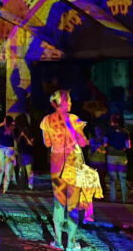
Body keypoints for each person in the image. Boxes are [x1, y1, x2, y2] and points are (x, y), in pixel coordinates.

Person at [40, 89, 88, 251]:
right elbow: (82, 142)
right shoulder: (74, 119)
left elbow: (47, 143)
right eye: (69, 100)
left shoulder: (46, 120)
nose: (72, 103)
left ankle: (59, 241)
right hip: (72, 162)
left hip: (56, 163)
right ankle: (72, 242)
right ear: (64, 103)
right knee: (73, 204)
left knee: (59, 203)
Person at [105, 114, 130, 203]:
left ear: (112, 121)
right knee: (123, 178)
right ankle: (124, 199)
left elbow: (105, 144)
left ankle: (113, 199)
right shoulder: (125, 132)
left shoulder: (108, 131)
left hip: (111, 156)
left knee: (112, 179)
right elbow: (128, 146)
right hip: (122, 156)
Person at [0, 116, 17, 194]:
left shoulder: (1, 128)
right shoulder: (13, 129)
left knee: (0, 170)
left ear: (5, 121)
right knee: (7, 171)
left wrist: (2, 123)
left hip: (1, 149)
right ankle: (5, 189)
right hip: (10, 150)